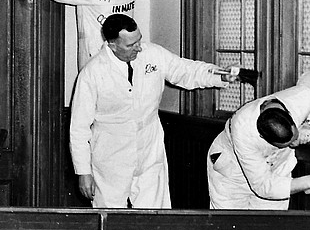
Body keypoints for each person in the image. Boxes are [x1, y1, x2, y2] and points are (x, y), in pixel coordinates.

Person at [70, 13, 233, 208]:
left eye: (139, 40)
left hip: (149, 150)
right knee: (110, 216)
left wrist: (221, 76)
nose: (139, 47)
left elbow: (186, 70)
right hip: (110, 157)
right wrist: (83, 172)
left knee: (155, 213)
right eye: (131, 45)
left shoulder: (153, 54)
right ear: (112, 45)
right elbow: (79, 128)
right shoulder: (92, 73)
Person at [207, 71, 310, 209]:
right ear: (263, 138)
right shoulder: (244, 131)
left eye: (294, 138)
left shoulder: (301, 98)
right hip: (232, 172)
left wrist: (308, 123)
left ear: (290, 117)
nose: (296, 143)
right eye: (290, 144)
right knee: (231, 225)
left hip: (276, 164)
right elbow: (263, 186)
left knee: (272, 224)